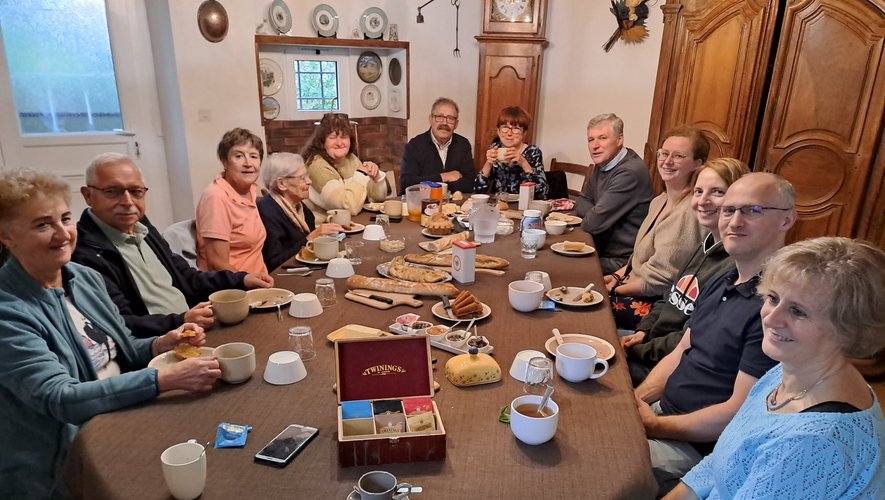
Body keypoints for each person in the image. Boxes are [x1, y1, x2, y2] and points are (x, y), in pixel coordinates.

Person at [0, 169, 221, 498]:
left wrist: (163, 342)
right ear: (6, 236)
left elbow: (122, 349)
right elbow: (60, 398)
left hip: (123, 415)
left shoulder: (84, 278)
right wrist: (164, 380)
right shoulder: (9, 311)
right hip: (66, 462)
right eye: (42, 224)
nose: (63, 234)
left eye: (65, 218)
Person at [669, 237, 885, 499]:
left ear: (849, 328)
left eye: (798, 311)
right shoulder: (786, 370)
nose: (770, 318)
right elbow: (719, 464)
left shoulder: (815, 443)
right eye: (773, 297)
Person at [634, 172, 797, 496]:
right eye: (728, 210)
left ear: (787, 219)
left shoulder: (777, 307)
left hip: (699, 449)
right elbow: (682, 350)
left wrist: (652, 425)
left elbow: (736, 412)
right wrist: (635, 401)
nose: (734, 221)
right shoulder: (722, 279)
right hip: (664, 414)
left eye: (752, 210)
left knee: (598, 462)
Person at [73, 153, 273, 338]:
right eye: (112, 192)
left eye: (136, 192)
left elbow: (189, 278)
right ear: (88, 195)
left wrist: (242, 279)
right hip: (160, 344)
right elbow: (119, 322)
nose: (127, 201)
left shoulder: (142, 227)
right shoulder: (86, 253)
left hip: (194, 328)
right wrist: (181, 321)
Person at [623, 158, 750, 385]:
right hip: (651, 348)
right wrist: (643, 331)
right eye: (698, 191)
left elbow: (690, 338)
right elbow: (668, 298)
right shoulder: (703, 244)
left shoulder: (734, 267)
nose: (703, 201)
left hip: (669, 368)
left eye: (718, 192)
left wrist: (638, 351)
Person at [605, 127, 708, 330]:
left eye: (678, 156)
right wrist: (617, 275)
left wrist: (613, 290)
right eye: (664, 153)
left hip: (654, 305)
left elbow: (658, 282)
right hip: (632, 287)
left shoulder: (688, 212)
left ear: (698, 164)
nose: (667, 161)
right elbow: (639, 258)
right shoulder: (659, 200)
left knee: (576, 308)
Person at [574, 113, 653, 275]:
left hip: (623, 261)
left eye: (602, 138)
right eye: (591, 139)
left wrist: (595, 215)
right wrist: (596, 212)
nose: (595, 146)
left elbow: (591, 224)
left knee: (563, 267)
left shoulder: (630, 172)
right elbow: (581, 201)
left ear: (619, 140)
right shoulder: (604, 163)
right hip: (600, 247)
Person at [195, 127, 269, 274]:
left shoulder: (250, 191)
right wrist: (249, 282)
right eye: (239, 156)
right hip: (237, 290)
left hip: (260, 281)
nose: (248, 163)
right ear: (225, 162)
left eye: (254, 156)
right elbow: (217, 264)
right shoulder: (216, 198)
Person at [257, 152, 344, 271]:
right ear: (281, 184)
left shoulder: (300, 207)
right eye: (302, 178)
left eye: (307, 176)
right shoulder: (266, 211)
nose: (309, 182)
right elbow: (273, 263)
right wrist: (309, 239)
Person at [301, 113, 388, 221]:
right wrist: (361, 174)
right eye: (332, 137)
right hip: (325, 229)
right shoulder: (317, 166)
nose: (339, 143)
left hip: (352, 224)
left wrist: (376, 178)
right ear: (322, 142)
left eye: (344, 137)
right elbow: (349, 208)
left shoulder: (351, 159)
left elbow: (375, 200)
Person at [399, 97, 475, 195]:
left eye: (450, 118)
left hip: (454, 207)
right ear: (430, 119)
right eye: (439, 117)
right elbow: (407, 184)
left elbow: (470, 184)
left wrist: (427, 183)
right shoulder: (414, 145)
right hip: (423, 206)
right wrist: (444, 177)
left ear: (456, 124)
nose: (444, 123)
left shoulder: (463, 144)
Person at [475, 106, 548, 199]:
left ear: (524, 133)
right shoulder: (495, 149)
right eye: (505, 127)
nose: (509, 133)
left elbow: (542, 192)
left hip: (524, 206)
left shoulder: (533, 152)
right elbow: (477, 191)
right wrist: (488, 164)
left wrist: (523, 163)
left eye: (516, 128)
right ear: (498, 131)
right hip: (501, 206)